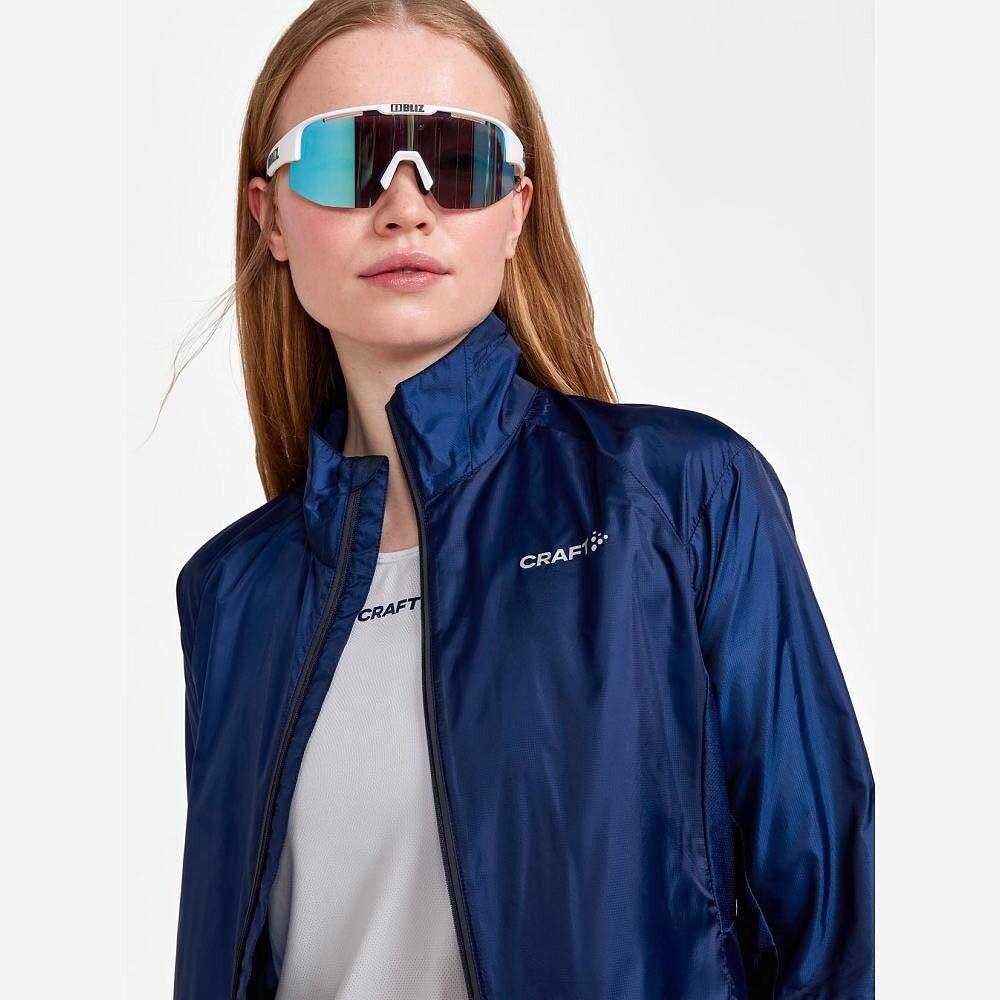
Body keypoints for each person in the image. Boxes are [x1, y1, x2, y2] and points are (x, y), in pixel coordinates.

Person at [171, 2, 875, 998]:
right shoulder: (233, 591)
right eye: (343, 158)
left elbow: (831, 926)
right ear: (270, 217)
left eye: (456, 160)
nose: (405, 206)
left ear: (516, 208)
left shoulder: (677, 499)